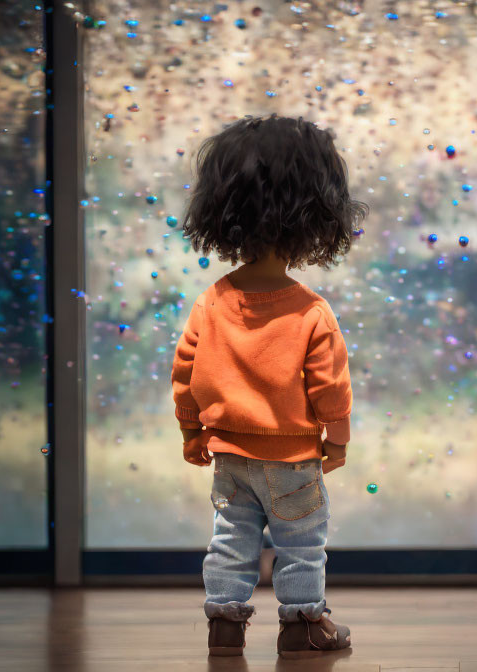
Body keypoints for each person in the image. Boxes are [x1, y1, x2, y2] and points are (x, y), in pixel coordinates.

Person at [170, 113, 369, 659]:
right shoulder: (311, 312)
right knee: (301, 543)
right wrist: (339, 439)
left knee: (231, 539)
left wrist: (193, 433)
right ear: (315, 215)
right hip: (294, 457)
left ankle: (225, 626)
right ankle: (304, 624)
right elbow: (331, 389)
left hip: (230, 453)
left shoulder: (211, 301)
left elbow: (185, 374)